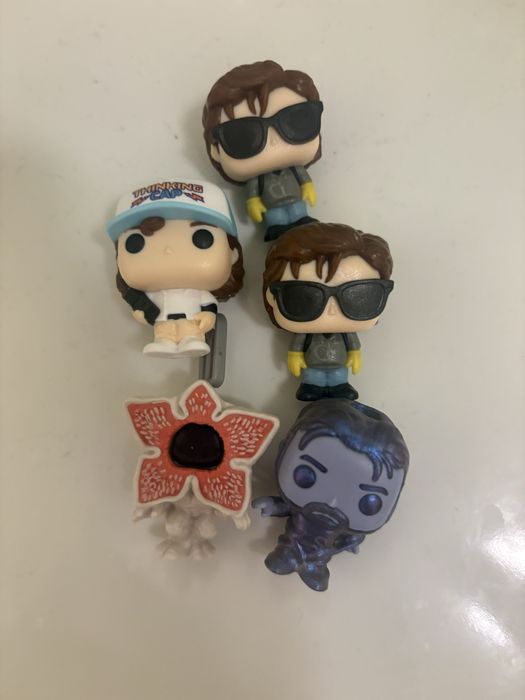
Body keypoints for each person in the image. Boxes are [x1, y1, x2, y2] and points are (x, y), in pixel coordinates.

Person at [253, 399, 409, 591]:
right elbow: (288, 506)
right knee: (288, 549)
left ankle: (313, 566)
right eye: (306, 475)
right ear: (283, 450)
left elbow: (349, 539)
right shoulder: (300, 504)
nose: (332, 502)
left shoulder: (345, 526)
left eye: (368, 502)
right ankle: (288, 556)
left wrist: (351, 540)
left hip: (323, 551)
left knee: (317, 558)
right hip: (291, 540)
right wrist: (274, 505)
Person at [107, 178, 243, 358]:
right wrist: (141, 312)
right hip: (164, 324)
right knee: (164, 335)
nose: (168, 250)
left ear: (232, 254)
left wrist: (208, 315)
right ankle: (163, 344)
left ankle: (192, 340)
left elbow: (209, 304)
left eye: (202, 238)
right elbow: (145, 308)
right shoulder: (150, 294)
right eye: (135, 243)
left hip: (190, 324)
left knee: (190, 335)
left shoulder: (199, 292)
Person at [262, 222, 394, 400]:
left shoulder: (347, 334)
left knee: (339, 376)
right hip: (313, 365)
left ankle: (340, 386)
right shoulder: (305, 334)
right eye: (305, 296)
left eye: (358, 295)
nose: (331, 310)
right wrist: (295, 356)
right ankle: (311, 386)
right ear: (272, 296)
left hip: (339, 366)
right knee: (313, 377)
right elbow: (297, 345)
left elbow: (353, 344)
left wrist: (355, 354)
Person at [203, 60, 323, 240]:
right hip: (272, 206)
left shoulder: (296, 169)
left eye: (295, 121)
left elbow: (303, 178)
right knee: (276, 218)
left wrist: (307, 186)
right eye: (244, 136)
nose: (273, 141)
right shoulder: (256, 180)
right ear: (216, 151)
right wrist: (254, 202)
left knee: (298, 212)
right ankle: (277, 228)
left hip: (295, 200)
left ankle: (301, 220)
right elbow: (253, 193)